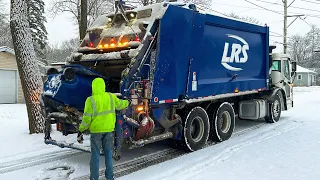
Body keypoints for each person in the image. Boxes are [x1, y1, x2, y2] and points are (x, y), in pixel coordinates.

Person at [77, 77, 129, 180]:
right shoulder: (110, 97)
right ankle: (109, 177)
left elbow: (86, 119)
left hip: (96, 132)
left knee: (95, 156)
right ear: (104, 86)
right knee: (108, 155)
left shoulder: (90, 100)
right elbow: (120, 104)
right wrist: (128, 102)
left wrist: (81, 130)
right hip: (109, 130)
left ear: (93, 87)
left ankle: (94, 178)